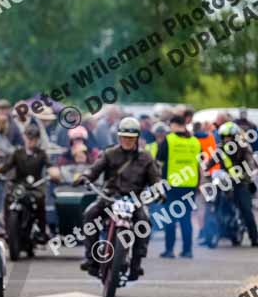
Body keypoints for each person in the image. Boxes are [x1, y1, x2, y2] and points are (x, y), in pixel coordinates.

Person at [75, 117, 162, 279]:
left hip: (134, 200)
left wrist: (159, 191)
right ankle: (91, 259)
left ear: (137, 138)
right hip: (110, 196)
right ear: (119, 137)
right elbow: (95, 169)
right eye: (124, 137)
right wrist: (85, 176)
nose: (127, 141)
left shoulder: (146, 158)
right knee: (90, 214)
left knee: (145, 222)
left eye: (131, 138)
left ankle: (136, 264)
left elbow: (155, 180)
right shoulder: (109, 153)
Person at [0, 125, 59, 244]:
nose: (30, 141)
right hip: (19, 186)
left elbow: (49, 165)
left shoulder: (42, 153)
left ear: (38, 139)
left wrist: (54, 172)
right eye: (28, 138)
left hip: (36, 186)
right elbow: (7, 166)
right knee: (8, 198)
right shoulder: (18, 153)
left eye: (33, 138)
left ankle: (42, 231)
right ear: (24, 138)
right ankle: (8, 230)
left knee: (40, 199)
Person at [155, 115, 202, 258]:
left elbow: (159, 160)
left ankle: (169, 250)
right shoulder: (195, 141)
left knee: (170, 218)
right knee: (186, 218)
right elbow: (199, 164)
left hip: (172, 184)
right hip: (190, 184)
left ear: (174, 125)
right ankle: (187, 251)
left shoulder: (169, 140)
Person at [205, 121, 258, 247]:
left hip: (240, 182)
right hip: (224, 181)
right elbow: (209, 163)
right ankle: (207, 233)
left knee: (246, 209)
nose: (227, 139)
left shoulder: (244, 147)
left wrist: (246, 174)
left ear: (235, 137)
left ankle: (254, 238)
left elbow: (250, 163)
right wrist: (205, 169)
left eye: (229, 137)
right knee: (211, 203)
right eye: (224, 137)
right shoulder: (220, 148)